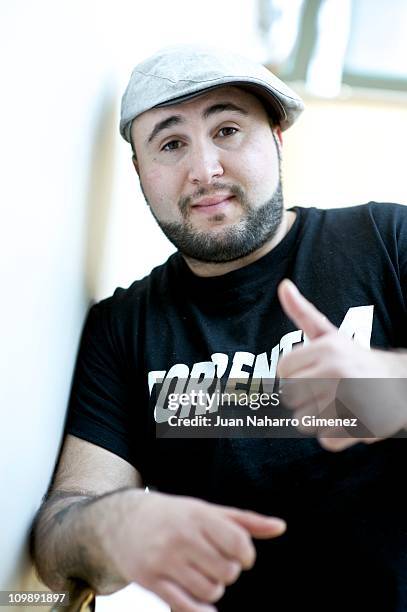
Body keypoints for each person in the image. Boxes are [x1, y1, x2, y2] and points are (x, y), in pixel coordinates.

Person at [32, 45, 407, 612]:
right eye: (171, 143)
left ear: (277, 136)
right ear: (140, 171)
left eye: (228, 129)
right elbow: (60, 537)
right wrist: (113, 527)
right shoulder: (122, 328)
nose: (204, 170)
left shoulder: (387, 239)